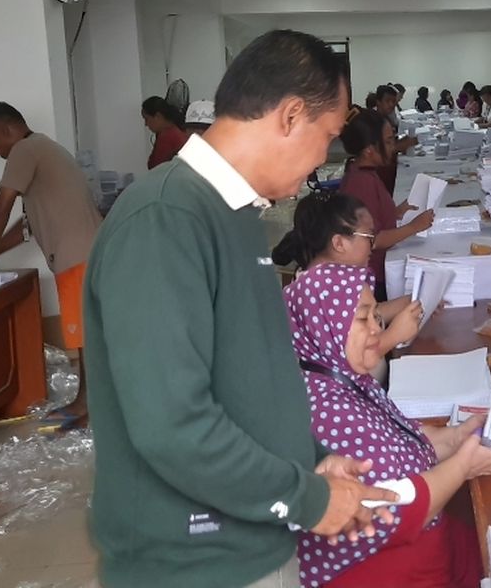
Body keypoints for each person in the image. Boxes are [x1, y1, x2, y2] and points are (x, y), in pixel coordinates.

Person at [82, 30, 399, 588]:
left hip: (250, 533)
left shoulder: (236, 212)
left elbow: (249, 375)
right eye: (327, 135)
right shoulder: (165, 219)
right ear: (290, 115)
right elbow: (172, 426)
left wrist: (311, 460)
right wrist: (304, 498)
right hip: (198, 561)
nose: (326, 156)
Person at [286, 263, 491, 587]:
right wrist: (462, 466)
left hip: (430, 545)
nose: (377, 328)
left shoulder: (348, 381)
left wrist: (456, 437)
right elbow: (395, 510)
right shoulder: (325, 411)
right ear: (325, 326)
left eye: (375, 315)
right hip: (387, 571)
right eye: (362, 318)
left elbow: (403, 446)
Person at [0, 102, 102, 424]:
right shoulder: (44, 148)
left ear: (4, 129)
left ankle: (85, 406)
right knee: (89, 334)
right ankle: (90, 403)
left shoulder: (25, 149)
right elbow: (25, 226)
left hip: (76, 257)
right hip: (87, 253)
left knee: (84, 337)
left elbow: (2, 204)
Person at [273, 191, 425, 356]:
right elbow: (352, 358)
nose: (372, 244)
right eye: (369, 236)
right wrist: (394, 335)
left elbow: (363, 315)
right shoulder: (325, 290)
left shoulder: (326, 280)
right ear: (339, 243)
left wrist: (411, 302)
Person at [339, 108, 434, 299]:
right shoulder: (361, 182)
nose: (394, 147)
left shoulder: (365, 170)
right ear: (369, 150)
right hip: (373, 277)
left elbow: (371, 213)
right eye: (389, 141)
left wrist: (396, 211)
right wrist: (414, 226)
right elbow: (372, 240)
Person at [142, 96, 190, 169]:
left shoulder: (167, 136)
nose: (146, 124)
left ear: (158, 116)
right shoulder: (175, 130)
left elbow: (156, 168)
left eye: (146, 119)